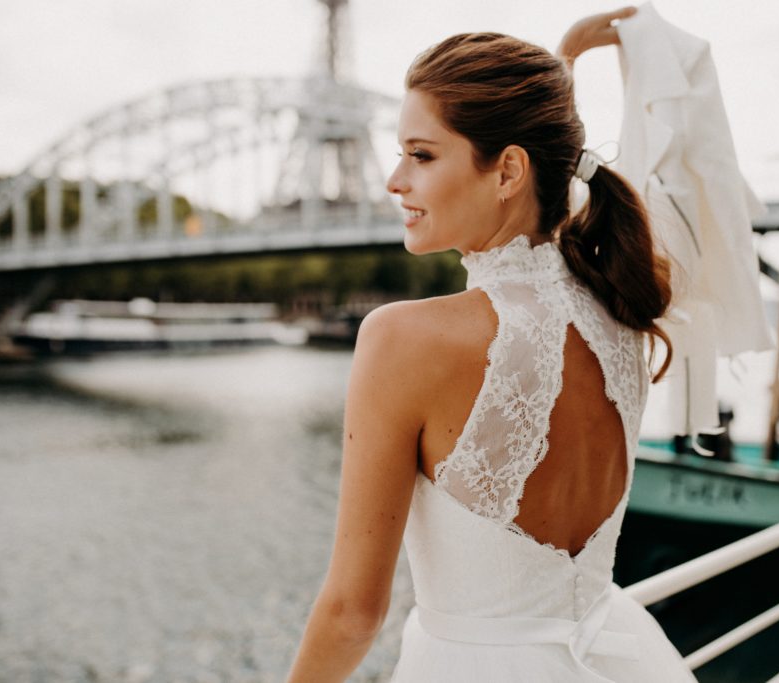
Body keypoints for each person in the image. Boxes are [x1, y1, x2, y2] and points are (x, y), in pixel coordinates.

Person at [287, 7, 698, 682]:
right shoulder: (617, 310)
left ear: (508, 171)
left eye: (420, 154)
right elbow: (545, 188)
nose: (394, 180)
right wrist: (557, 69)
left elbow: (353, 613)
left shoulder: (401, 340)